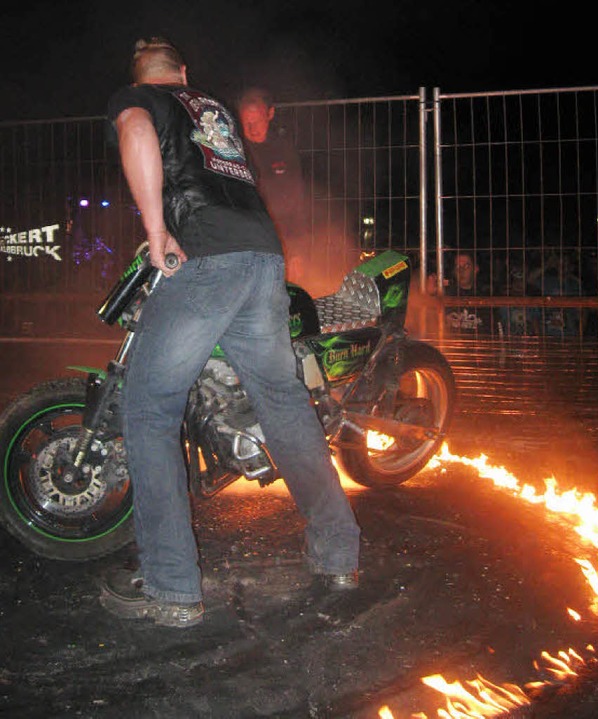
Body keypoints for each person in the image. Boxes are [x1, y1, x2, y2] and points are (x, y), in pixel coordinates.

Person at [99, 38, 360, 628]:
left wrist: (156, 230)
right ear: (183, 72)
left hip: (207, 260)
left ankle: (171, 588)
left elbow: (137, 133)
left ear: (141, 76)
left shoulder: (137, 99)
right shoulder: (210, 106)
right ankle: (339, 555)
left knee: (148, 409)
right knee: (285, 406)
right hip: (263, 260)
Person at [236, 87, 308, 284]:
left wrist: (297, 252)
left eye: (257, 121)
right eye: (246, 123)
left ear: (270, 114)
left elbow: (297, 202)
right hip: (246, 241)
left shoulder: (284, 150)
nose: (252, 129)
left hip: (282, 236)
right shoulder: (235, 152)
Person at [427, 250, 494, 334]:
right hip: (449, 344)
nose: (461, 271)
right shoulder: (445, 294)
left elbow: (493, 330)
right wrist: (430, 294)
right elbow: (429, 323)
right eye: (458, 267)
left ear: (475, 269)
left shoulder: (487, 297)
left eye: (466, 266)